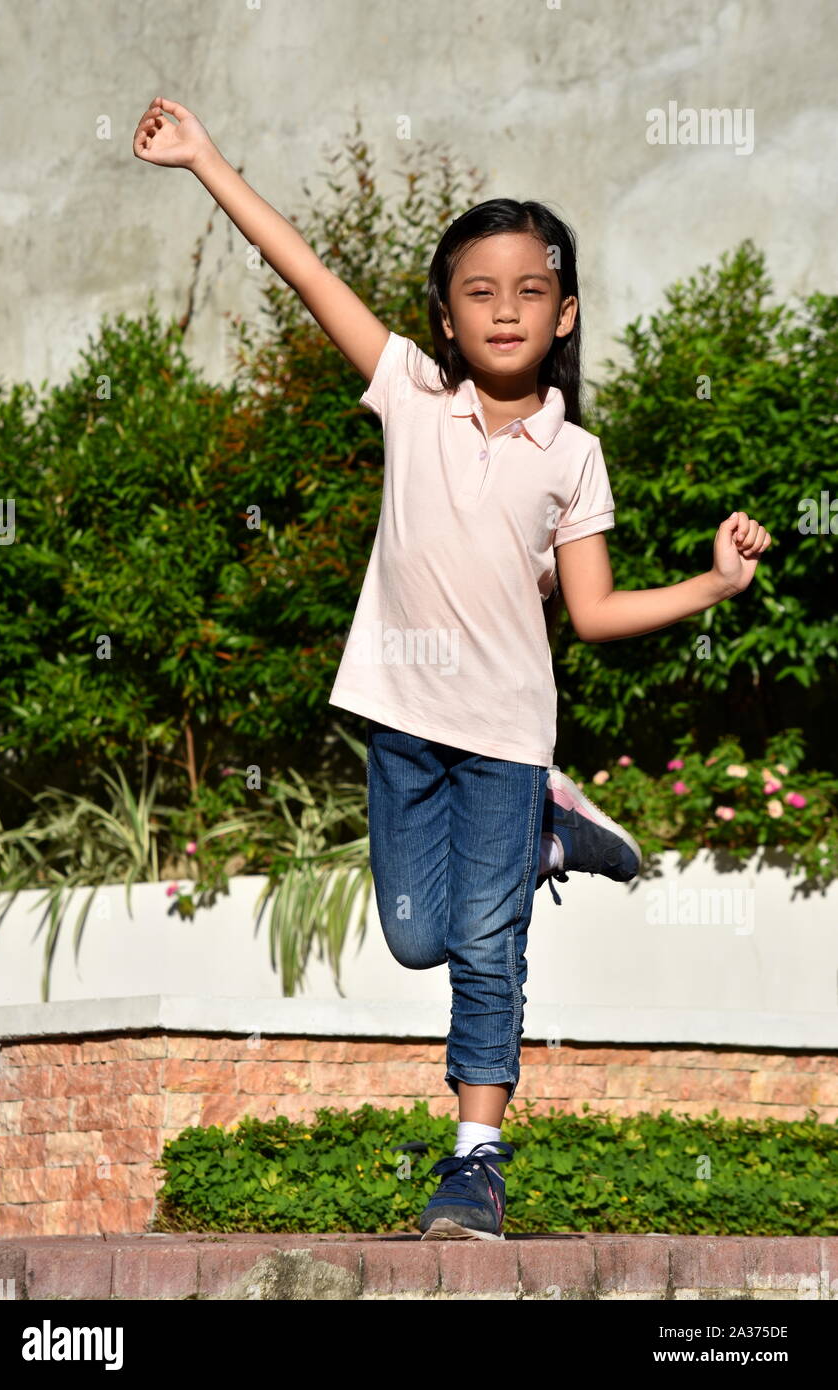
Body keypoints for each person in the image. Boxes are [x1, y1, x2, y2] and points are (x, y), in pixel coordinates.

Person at [133, 97, 772, 1241]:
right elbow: (303, 269)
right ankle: (547, 838)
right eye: (478, 291)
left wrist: (715, 585)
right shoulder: (411, 399)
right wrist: (205, 161)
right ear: (444, 311)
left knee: (483, 947)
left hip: (505, 733)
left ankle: (474, 1161)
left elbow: (592, 608)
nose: (504, 308)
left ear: (563, 311)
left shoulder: (573, 455)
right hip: (398, 716)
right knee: (417, 934)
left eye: (529, 290)